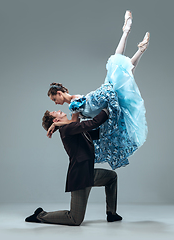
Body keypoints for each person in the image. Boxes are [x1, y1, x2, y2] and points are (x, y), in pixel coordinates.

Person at [47, 11, 150, 170]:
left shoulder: (73, 105)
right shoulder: (74, 101)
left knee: (117, 66)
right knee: (124, 76)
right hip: (102, 98)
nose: (56, 103)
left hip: (102, 97)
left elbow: (74, 125)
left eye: (55, 100)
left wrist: (57, 125)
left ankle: (127, 32)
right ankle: (139, 48)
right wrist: (58, 124)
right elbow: (76, 125)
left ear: (59, 93)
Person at [25, 109, 122, 226]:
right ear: (55, 120)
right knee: (75, 219)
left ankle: (111, 213)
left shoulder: (73, 127)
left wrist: (118, 129)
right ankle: (40, 215)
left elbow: (96, 133)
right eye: (55, 112)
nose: (59, 110)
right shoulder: (67, 129)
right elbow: (93, 123)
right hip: (80, 177)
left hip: (89, 174)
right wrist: (106, 110)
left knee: (111, 177)